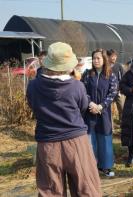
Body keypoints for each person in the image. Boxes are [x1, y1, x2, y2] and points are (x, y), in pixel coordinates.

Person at [26, 42, 102, 196]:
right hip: (75, 141)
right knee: (86, 188)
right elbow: (82, 108)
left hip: (47, 143)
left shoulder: (33, 86)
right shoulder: (77, 86)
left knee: (51, 191)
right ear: (68, 66)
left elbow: (33, 106)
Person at [81, 48, 118, 177]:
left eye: (98, 58)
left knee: (105, 139)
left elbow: (112, 93)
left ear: (104, 59)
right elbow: (83, 91)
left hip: (104, 113)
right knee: (91, 139)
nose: (96, 61)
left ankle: (106, 166)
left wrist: (101, 106)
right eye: (94, 58)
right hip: (89, 111)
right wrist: (90, 103)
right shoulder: (87, 74)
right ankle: (91, 166)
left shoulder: (110, 75)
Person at [107, 49, 125, 123]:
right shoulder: (105, 66)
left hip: (118, 91)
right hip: (108, 91)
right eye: (112, 56)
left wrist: (121, 89)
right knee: (108, 110)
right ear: (108, 57)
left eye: (115, 56)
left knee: (122, 107)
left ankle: (123, 123)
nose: (114, 58)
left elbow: (123, 78)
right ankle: (110, 125)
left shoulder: (119, 66)